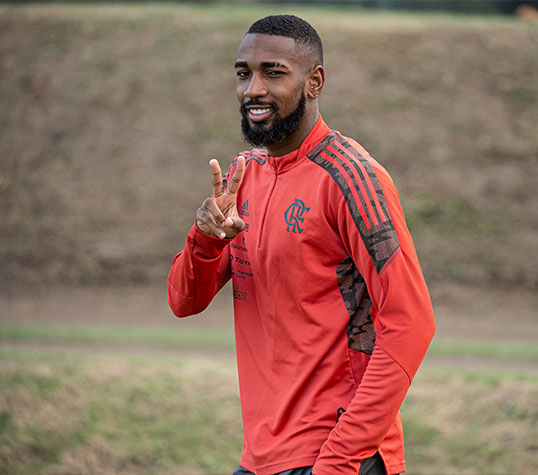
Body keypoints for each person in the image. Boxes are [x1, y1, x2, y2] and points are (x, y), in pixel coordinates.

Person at [168, 14, 435, 475]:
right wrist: (206, 238)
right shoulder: (243, 175)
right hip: (260, 458)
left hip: (338, 456)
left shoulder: (353, 178)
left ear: (314, 82)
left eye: (273, 72)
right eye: (243, 73)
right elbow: (183, 301)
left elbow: (411, 323)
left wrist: (339, 460)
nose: (253, 89)